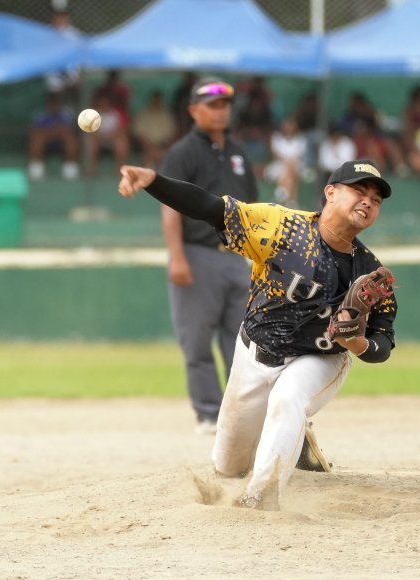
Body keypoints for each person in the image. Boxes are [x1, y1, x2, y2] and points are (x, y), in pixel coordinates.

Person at [117, 159, 397, 509]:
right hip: (254, 351)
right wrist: (154, 181)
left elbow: (382, 344)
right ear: (330, 192)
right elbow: (209, 207)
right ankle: (296, 440)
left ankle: (260, 496)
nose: (368, 201)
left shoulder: (368, 272)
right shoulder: (282, 227)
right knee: (228, 466)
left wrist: (355, 342)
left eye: (376, 198)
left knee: (288, 398)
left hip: (319, 358)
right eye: (359, 190)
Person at [158, 77, 259, 435]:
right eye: (212, 105)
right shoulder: (183, 152)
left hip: (236, 258)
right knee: (197, 339)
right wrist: (177, 257)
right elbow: (170, 209)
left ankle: (241, 414)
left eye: (224, 105)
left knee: (243, 341)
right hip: (197, 254)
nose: (220, 111)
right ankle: (209, 414)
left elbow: (253, 210)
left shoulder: (237, 153)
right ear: (193, 110)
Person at [28, 93, 79, 181]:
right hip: (46, 141)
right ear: (47, 105)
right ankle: (37, 165)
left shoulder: (66, 115)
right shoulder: (41, 116)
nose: (54, 106)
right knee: (38, 137)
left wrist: (54, 131)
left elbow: (70, 130)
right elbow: (33, 131)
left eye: (56, 104)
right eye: (51, 104)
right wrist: (51, 132)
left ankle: (70, 166)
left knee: (70, 137)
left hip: (61, 141)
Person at [265, 117, 307, 207]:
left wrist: (289, 163)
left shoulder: (301, 140)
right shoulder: (276, 138)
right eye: (287, 126)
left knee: (291, 171)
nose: (289, 128)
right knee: (288, 172)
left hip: (295, 165)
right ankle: (292, 202)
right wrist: (287, 162)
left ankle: (281, 193)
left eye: (291, 126)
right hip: (278, 166)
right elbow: (275, 155)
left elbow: (298, 156)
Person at [132, 91, 177, 169]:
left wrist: (166, 145)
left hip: (164, 145)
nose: (157, 103)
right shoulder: (143, 115)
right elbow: (140, 135)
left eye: (158, 101)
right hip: (148, 146)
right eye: (155, 101)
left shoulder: (167, 115)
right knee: (149, 157)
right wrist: (152, 147)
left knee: (171, 155)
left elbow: (173, 133)